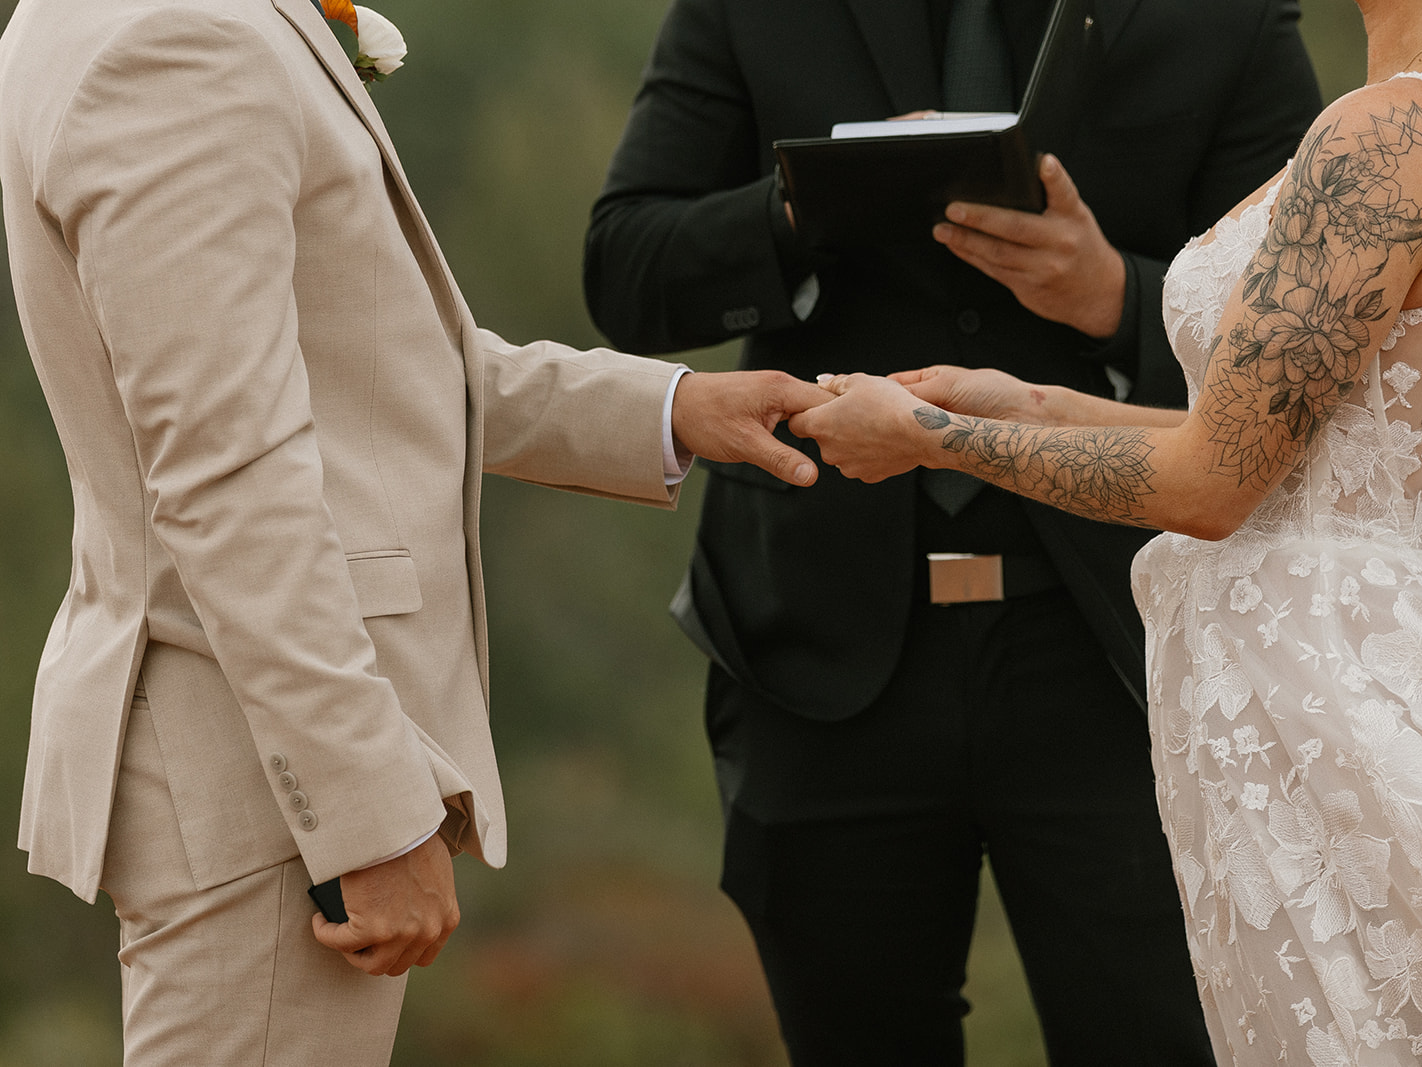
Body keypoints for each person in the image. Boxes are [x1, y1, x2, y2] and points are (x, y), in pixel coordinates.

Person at [0, 0, 829, 1062]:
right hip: (266, 774)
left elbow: (364, 365)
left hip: (240, 738)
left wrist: (668, 410)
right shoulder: (178, 43)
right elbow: (225, 474)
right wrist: (362, 813)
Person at [789, 0, 1422, 1060]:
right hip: (1328, 660)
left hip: (1327, 698)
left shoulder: (1392, 135)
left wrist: (935, 437)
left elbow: (1210, 487)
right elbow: (1260, 450)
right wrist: (1020, 403)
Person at [582, 0, 1322, 1062]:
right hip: (818, 651)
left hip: (1126, 653)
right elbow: (623, 273)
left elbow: (1306, 348)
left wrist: (1113, 297)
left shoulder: (1224, 14)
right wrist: (805, 208)